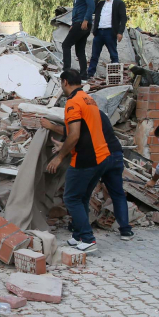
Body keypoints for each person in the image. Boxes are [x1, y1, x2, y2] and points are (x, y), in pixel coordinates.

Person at [40, 106, 134, 241]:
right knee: (117, 193)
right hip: (115, 154)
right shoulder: (99, 114)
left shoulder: (86, 116)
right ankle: (125, 230)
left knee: (80, 196)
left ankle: (82, 232)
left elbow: (74, 134)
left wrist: (52, 127)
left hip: (100, 157)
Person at [44, 71, 111, 253]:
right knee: (82, 197)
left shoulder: (73, 102)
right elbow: (83, 131)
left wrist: (59, 157)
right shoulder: (88, 98)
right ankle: (79, 235)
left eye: (61, 84)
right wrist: (63, 144)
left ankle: (88, 239)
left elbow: (74, 135)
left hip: (86, 157)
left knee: (71, 198)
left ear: (65, 82)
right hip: (101, 155)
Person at [88, 0, 126, 78]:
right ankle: (90, 75)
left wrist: (120, 32)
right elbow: (91, 10)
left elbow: (123, 18)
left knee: (113, 55)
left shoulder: (119, 3)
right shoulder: (101, 4)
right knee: (94, 55)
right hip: (99, 32)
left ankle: (115, 76)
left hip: (110, 32)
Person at [63, 0, 95, 75]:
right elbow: (77, 9)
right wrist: (73, 23)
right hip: (78, 22)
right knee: (80, 50)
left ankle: (66, 71)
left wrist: (86, 20)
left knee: (66, 45)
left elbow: (91, 5)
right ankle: (83, 75)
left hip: (82, 22)